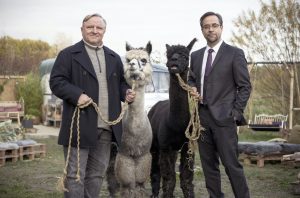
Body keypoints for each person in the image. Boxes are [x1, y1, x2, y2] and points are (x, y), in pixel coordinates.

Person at [49, 13, 135, 198]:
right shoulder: (68, 55)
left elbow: (120, 83)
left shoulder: (113, 57)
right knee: (75, 176)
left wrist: (126, 92)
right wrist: (76, 95)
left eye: (99, 28)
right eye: (90, 27)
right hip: (79, 125)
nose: (95, 31)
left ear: (104, 31)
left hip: (106, 127)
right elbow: (56, 81)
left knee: (96, 175)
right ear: (82, 29)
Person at [188, 11, 251, 198]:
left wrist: (235, 113)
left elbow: (245, 86)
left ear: (221, 27)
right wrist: (192, 88)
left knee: (232, 165)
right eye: (206, 26)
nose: (210, 29)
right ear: (202, 30)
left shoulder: (235, 54)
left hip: (225, 119)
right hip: (202, 119)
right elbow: (191, 79)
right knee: (209, 167)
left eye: (214, 25)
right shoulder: (196, 55)